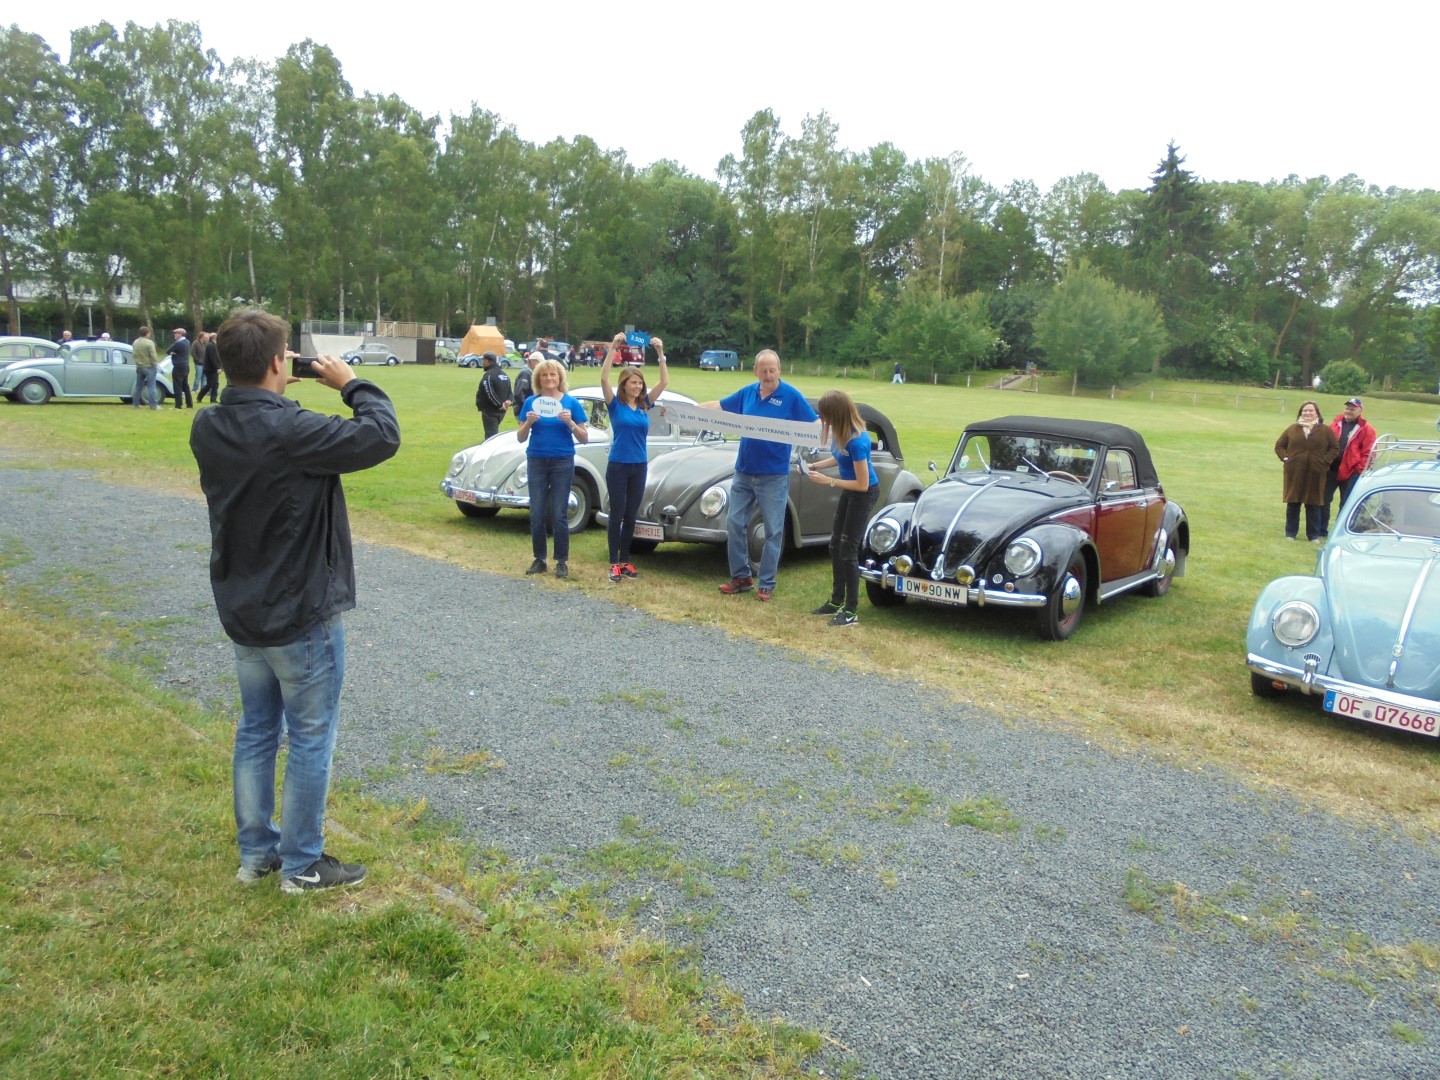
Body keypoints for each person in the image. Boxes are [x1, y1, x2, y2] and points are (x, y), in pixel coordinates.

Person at [190, 309, 400, 893]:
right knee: (311, 736)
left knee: (257, 729)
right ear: (281, 361)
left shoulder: (207, 426)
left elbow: (259, 420)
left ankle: (257, 853)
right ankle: (303, 863)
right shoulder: (292, 431)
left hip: (243, 605)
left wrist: (277, 386)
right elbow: (382, 434)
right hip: (300, 611)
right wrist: (350, 383)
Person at [703, 349, 818, 601]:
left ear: (780, 369)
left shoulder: (791, 396)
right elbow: (719, 407)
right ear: (756, 371)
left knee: (774, 529)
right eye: (763, 371)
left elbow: (814, 425)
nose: (768, 376)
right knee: (734, 523)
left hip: (773, 475)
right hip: (744, 471)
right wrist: (686, 411)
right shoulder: (748, 392)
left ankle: (766, 583)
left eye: (772, 370)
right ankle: (741, 577)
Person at [804, 389, 881, 626]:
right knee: (835, 545)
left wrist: (828, 481)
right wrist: (816, 466)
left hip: (863, 493)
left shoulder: (858, 441)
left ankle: (851, 610)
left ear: (836, 414)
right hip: (851, 491)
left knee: (848, 550)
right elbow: (839, 457)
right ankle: (836, 601)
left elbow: (862, 483)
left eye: (826, 415)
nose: (823, 420)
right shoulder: (841, 434)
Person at [600, 332, 669, 582]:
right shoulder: (614, 404)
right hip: (618, 465)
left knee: (632, 514)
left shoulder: (644, 405)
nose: (637, 386)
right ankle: (613, 563)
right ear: (624, 385)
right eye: (633, 383)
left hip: (639, 465)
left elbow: (664, 382)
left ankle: (626, 559)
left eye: (640, 383)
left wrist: (660, 354)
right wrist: (613, 347)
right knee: (617, 514)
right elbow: (604, 378)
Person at [516, 357, 588, 578]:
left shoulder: (571, 403)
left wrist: (570, 423)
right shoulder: (531, 403)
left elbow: (584, 437)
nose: (549, 378)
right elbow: (520, 437)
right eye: (545, 375)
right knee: (537, 512)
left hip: (562, 460)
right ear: (539, 378)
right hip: (537, 459)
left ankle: (561, 561)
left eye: (553, 375)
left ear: (560, 378)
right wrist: (528, 422)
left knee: (559, 513)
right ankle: (539, 559)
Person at [1274, 401, 1338, 542]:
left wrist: (1325, 461)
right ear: (1300, 413)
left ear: (1317, 413)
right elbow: (1279, 445)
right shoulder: (1292, 429)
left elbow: (1334, 447)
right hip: (1295, 472)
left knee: (1313, 505)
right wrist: (1286, 458)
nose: (1308, 413)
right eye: (1305, 411)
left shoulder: (1325, 430)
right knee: (1293, 503)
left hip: (1316, 472)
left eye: (1311, 411)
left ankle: (1313, 535)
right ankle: (1291, 533)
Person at [1321, 397, 1377, 536]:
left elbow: (1369, 453)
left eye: (1352, 409)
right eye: (1347, 408)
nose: (1349, 411)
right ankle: (1321, 530)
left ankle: (1339, 532)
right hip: (1331, 469)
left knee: (1346, 504)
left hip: (1351, 472)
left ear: (1360, 410)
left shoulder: (1367, 429)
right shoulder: (1335, 424)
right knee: (1323, 500)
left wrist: (1358, 469)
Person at [474, 352, 512, 440]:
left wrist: (499, 405)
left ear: (487, 361)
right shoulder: (504, 375)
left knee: (491, 437)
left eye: (483, 360)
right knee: (492, 434)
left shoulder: (489, 375)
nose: (482, 362)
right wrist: (509, 401)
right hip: (501, 412)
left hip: (490, 411)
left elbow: (489, 392)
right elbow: (510, 392)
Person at [131, 325, 160, 409]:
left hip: (139, 366)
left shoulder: (135, 342)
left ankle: (135, 404)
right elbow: (153, 355)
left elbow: (134, 354)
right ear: (147, 333)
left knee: (138, 386)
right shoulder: (149, 342)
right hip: (149, 366)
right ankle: (153, 405)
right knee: (152, 386)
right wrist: (155, 364)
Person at [168, 327, 193, 409]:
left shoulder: (178, 343)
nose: (175, 335)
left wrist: (173, 353)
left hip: (178, 366)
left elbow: (168, 351)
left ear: (180, 334)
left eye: (176, 333)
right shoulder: (187, 342)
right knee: (185, 385)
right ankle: (189, 404)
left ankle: (178, 405)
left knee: (177, 385)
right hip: (186, 365)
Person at [511, 351, 541, 422]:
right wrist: (529, 408)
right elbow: (519, 394)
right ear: (532, 362)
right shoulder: (526, 373)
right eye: (539, 363)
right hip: (523, 411)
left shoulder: (530, 373)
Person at [197, 331, 221, 404]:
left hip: (213, 368)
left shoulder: (214, 345)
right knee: (210, 384)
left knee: (215, 384)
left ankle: (213, 399)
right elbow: (212, 358)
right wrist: (217, 367)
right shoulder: (210, 346)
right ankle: (200, 396)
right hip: (210, 369)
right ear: (215, 338)